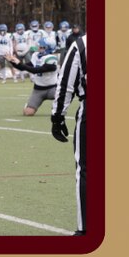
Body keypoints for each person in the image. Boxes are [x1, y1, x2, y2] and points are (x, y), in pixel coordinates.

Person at [50, 33, 87, 236]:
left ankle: (86, 228)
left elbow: (66, 83)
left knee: (86, 170)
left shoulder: (81, 45)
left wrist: (57, 117)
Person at [7, 38, 59, 115]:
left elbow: (36, 70)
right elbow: (24, 67)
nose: (39, 48)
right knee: (28, 113)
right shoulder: (35, 55)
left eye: (41, 47)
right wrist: (13, 61)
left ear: (48, 48)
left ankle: (57, 106)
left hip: (53, 89)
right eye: (39, 46)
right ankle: (28, 106)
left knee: (60, 107)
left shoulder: (52, 58)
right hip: (38, 90)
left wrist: (20, 63)